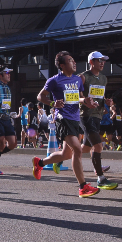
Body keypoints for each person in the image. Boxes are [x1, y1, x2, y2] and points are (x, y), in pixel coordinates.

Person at [32, 51, 100, 198]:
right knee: (77, 149)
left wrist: (87, 101)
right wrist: (52, 103)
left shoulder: (77, 80)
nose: (74, 63)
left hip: (75, 118)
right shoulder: (54, 80)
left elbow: (79, 98)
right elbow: (40, 96)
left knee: (66, 154)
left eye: (73, 60)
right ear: (62, 65)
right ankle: (83, 187)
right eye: (70, 60)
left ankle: (40, 163)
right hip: (62, 118)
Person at [77, 51, 116, 189]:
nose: (102, 62)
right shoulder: (82, 77)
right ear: (91, 62)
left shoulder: (104, 78)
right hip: (86, 115)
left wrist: (106, 102)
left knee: (85, 148)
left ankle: (61, 158)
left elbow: (100, 95)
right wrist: (84, 101)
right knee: (98, 145)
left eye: (103, 60)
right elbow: (74, 95)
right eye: (99, 60)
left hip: (98, 115)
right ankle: (101, 178)